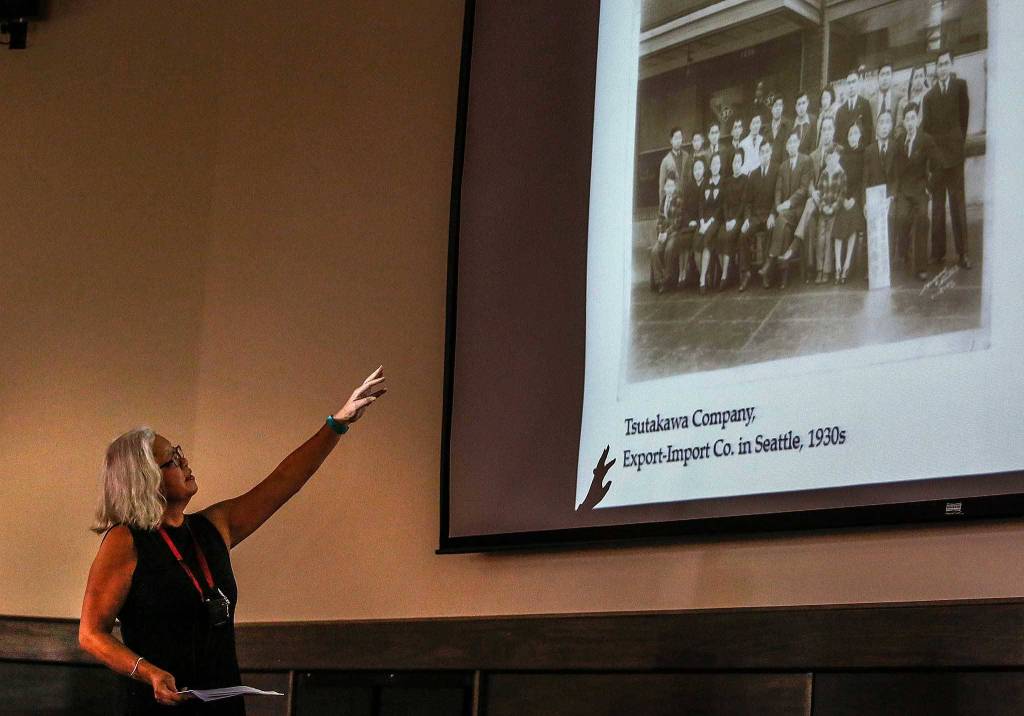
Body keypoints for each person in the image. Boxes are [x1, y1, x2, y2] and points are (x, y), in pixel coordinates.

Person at [79, 369, 387, 713]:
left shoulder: (213, 527)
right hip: (160, 705)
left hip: (221, 705)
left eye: (179, 452)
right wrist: (148, 672)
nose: (185, 462)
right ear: (145, 479)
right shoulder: (126, 540)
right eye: (172, 460)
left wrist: (336, 425)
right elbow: (91, 634)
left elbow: (284, 481)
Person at [922, 49, 971, 269]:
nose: (942, 68)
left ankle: (963, 253)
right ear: (936, 68)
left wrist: (957, 144)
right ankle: (938, 253)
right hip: (937, 159)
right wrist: (935, 158)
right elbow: (928, 130)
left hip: (955, 156)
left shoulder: (960, 87)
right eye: (939, 65)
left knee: (958, 205)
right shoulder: (929, 97)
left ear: (951, 65)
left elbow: (964, 119)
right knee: (938, 207)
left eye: (945, 64)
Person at [760, 131, 812, 289]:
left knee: (780, 220)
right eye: (789, 143)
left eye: (794, 142)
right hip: (785, 212)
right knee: (784, 228)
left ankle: (770, 259)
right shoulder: (782, 166)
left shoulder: (806, 161)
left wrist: (787, 204)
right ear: (786, 147)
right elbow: (778, 190)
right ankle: (784, 276)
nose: (791, 146)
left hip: (799, 210)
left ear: (798, 144)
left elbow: (803, 189)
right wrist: (778, 206)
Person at [895, 103, 938, 280]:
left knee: (922, 218)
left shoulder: (926, 140)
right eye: (907, 119)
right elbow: (896, 169)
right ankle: (904, 251)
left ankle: (921, 266)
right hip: (904, 190)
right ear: (903, 122)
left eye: (913, 118)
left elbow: (937, 165)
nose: (910, 122)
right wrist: (896, 191)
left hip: (920, 189)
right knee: (901, 218)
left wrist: (929, 187)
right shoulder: (899, 141)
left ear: (917, 120)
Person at [794, 116, 838, 281]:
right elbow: (810, 181)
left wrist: (824, 198)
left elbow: (839, 178)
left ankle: (823, 269)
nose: (827, 133)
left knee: (811, 208)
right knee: (811, 220)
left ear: (834, 131)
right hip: (817, 199)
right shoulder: (813, 155)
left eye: (829, 129)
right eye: (824, 129)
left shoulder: (838, 150)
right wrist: (813, 192)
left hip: (831, 199)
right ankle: (813, 268)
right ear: (821, 133)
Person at [738, 141, 777, 292]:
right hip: (755, 216)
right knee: (743, 235)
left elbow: (777, 196)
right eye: (762, 152)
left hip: (769, 215)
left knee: (770, 231)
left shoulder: (776, 170)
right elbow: (747, 202)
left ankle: (767, 273)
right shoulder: (753, 175)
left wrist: (773, 214)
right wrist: (747, 219)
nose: (764, 155)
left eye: (767, 151)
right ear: (759, 154)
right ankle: (745, 273)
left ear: (771, 153)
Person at [832, 123, 866, 284]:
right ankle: (838, 264)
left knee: (852, 220)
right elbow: (840, 180)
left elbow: (862, 181)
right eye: (850, 134)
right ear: (847, 137)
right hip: (843, 198)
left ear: (860, 136)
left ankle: (847, 265)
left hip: (857, 199)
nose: (853, 136)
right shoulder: (843, 157)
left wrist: (854, 199)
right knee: (840, 218)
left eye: (856, 133)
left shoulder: (864, 154)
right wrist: (844, 198)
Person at [864, 110, 900, 260]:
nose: (884, 126)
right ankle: (873, 263)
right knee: (871, 217)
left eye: (887, 122)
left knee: (890, 216)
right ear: (876, 127)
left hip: (890, 196)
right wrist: (865, 202)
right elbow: (865, 180)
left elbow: (897, 177)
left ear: (891, 126)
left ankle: (888, 260)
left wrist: (891, 195)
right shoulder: (869, 150)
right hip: (873, 196)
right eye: (881, 123)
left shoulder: (896, 147)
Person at [814, 144, 846, 284]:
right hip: (823, 211)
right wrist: (823, 207)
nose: (830, 160)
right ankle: (819, 269)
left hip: (834, 212)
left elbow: (842, 195)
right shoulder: (824, 173)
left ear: (837, 157)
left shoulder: (841, 173)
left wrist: (832, 208)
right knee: (820, 239)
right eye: (827, 158)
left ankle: (827, 271)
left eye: (832, 157)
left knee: (828, 238)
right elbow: (819, 193)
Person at [717, 151, 748, 290]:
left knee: (728, 237)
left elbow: (743, 203)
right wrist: (727, 219)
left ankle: (724, 276)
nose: (736, 165)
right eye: (734, 162)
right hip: (728, 218)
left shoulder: (745, 180)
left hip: (739, 218)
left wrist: (735, 220)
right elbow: (724, 203)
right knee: (719, 237)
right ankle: (729, 270)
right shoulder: (727, 181)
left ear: (742, 163)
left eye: (739, 162)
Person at [651, 175, 685, 293]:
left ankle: (667, 280)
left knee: (669, 249)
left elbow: (678, 221)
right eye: (667, 186)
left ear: (675, 187)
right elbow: (659, 219)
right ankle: (659, 281)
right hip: (664, 232)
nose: (669, 189)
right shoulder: (663, 200)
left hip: (674, 232)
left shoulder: (678, 199)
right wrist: (661, 232)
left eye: (671, 186)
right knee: (655, 251)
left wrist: (667, 232)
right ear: (664, 188)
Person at [696, 153, 724, 294]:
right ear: (710, 166)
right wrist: (702, 221)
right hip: (704, 220)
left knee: (707, 240)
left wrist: (710, 222)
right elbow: (701, 204)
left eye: (717, 164)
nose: (715, 166)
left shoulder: (723, 182)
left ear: (720, 165)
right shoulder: (706, 182)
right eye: (713, 164)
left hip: (716, 220)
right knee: (696, 243)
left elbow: (720, 207)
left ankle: (701, 280)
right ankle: (705, 274)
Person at [678, 157, 706, 287]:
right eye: (695, 169)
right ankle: (682, 273)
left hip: (703, 222)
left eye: (700, 168)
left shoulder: (707, 184)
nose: (698, 172)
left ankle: (702, 275)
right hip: (690, 223)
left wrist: (700, 222)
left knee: (697, 242)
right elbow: (684, 209)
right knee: (682, 240)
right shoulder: (689, 187)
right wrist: (690, 221)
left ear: (704, 169)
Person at [835, 70, 875, 149]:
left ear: (858, 83)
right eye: (848, 83)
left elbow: (868, 131)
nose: (851, 86)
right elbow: (838, 136)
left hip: (861, 152)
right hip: (845, 154)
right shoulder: (840, 110)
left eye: (853, 82)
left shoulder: (865, 104)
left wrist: (862, 147)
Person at [870, 62, 904, 138]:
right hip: (876, 143)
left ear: (892, 77)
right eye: (882, 74)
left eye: (888, 74)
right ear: (878, 78)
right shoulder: (871, 101)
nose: (885, 78)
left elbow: (900, 125)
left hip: (893, 143)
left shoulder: (899, 97)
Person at [659, 127, 691, 205]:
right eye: (676, 138)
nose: (678, 141)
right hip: (672, 202)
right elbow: (662, 186)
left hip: (687, 199)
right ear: (671, 140)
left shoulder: (687, 156)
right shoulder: (666, 161)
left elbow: (690, 178)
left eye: (680, 138)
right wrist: (662, 206)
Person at [896, 64, 929, 135]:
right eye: (916, 77)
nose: (918, 80)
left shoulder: (930, 97)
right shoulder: (903, 101)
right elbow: (899, 127)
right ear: (912, 80)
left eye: (921, 76)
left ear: (925, 77)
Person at [764, 96, 791, 164]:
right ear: (771, 108)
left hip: (782, 166)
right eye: (775, 106)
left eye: (780, 105)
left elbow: (786, 150)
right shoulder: (765, 128)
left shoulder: (787, 125)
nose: (778, 108)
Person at [793, 91, 817, 156]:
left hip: (808, 161)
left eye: (803, 103)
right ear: (795, 107)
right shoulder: (792, 124)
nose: (801, 107)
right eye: (799, 104)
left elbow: (813, 146)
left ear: (807, 103)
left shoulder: (813, 121)